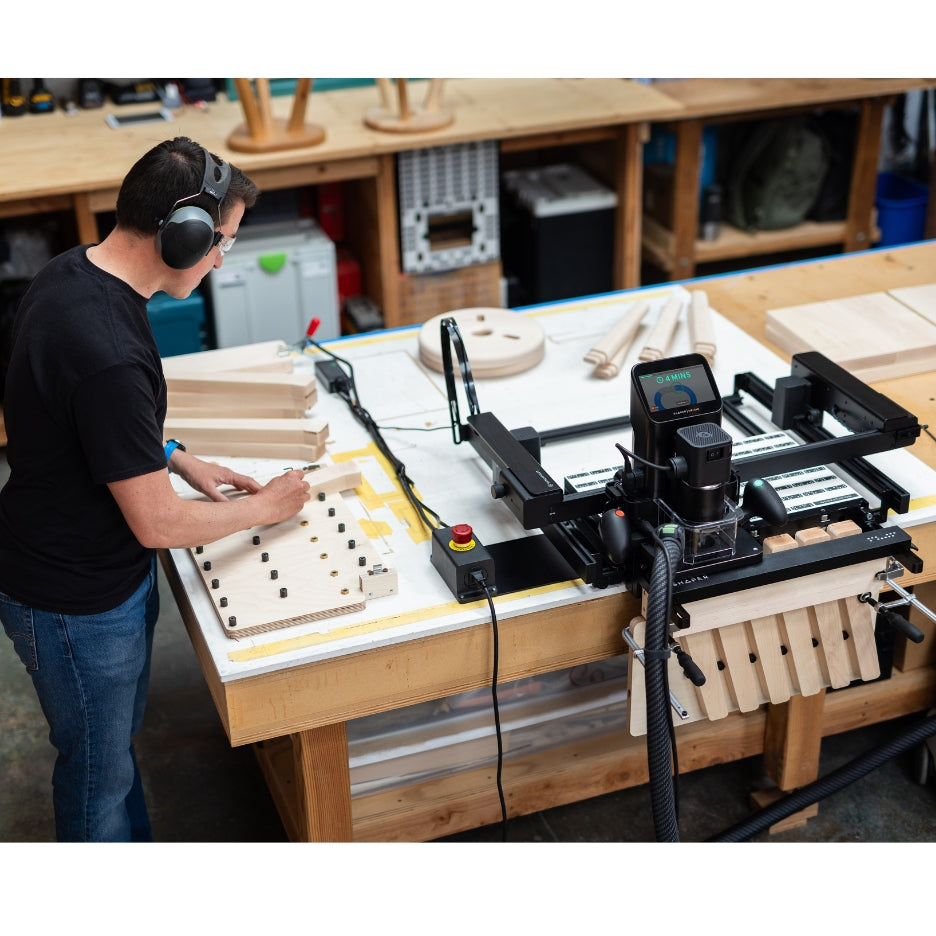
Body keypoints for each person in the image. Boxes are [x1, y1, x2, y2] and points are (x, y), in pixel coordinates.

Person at [0, 136, 311, 842]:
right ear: (183, 235)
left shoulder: (74, 273)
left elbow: (72, 417)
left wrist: (171, 455)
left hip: (75, 568)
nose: (220, 259)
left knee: (109, 753)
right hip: (76, 603)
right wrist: (267, 506)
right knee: (95, 782)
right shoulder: (107, 347)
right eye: (221, 242)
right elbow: (157, 526)